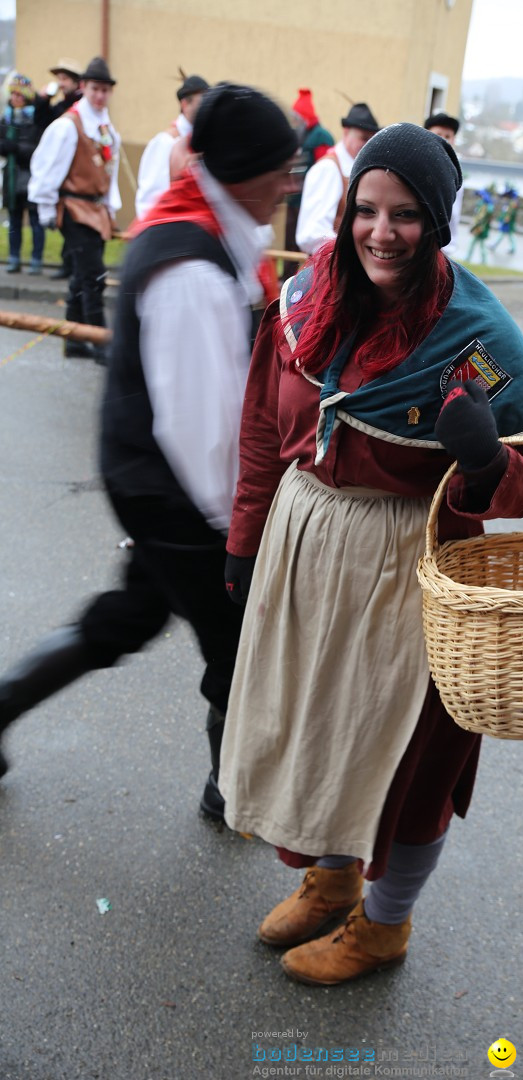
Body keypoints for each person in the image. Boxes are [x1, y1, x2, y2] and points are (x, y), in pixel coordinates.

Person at [219, 122, 523, 986]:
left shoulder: (478, 345)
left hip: (413, 565)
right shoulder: (304, 302)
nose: (381, 232)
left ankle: (383, 928)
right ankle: (330, 881)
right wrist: (245, 539)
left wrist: (487, 461)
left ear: (437, 223)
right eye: (366, 210)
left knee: (409, 761)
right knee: (315, 726)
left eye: (405, 215)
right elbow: (266, 428)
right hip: (306, 549)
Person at [0, 84, 299, 824]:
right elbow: (204, 434)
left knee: (132, 614)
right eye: (281, 171)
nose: (288, 186)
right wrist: (243, 531)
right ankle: (229, 792)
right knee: (239, 643)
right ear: (245, 172)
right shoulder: (193, 267)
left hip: (152, 477)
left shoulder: (208, 227)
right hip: (172, 487)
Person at [28, 56, 121, 364]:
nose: (100, 96)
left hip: (95, 210)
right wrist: (44, 209)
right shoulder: (68, 126)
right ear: (84, 88)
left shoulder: (106, 128)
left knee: (82, 276)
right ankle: (98, 341)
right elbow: (45, 168)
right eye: (95, 89)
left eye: (105, 90)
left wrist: (111, 208)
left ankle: (74, 340)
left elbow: (111, 172)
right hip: (73, 208)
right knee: (94, 276)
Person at [295, 101, 379, 254]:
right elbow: (311, 233)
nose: (367, 144)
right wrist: (353, 250)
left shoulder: (356, 169)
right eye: (363, 138)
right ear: (346, 132)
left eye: (371, 139)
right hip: (328, 268)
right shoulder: (328, 168)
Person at [33, 59, 83, 279]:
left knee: (74, 220)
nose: (61, 83)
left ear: (76, 83)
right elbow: (41, 123)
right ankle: (68, 265)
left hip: (76, 172)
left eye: (65, 79)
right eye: (59, 79)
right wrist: (42, 101)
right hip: (60, 173)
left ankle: (73, 265)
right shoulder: (61, 107)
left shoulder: (80, 107)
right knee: (65, 219)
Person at [135, 73, 209, 220]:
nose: (207, 109)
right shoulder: (165, 142)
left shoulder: (203, 141)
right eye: (202, 103)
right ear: (184, 104)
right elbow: (150, 199)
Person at [0, 74, 45, 274]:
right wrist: (6, 146)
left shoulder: (36, 118)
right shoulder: (6, 118)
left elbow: (38, 147)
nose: (16, 98)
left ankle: (36, 261)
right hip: (12, 178)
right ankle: (14, 258)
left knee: (35, 221)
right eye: (13, 94)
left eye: (20, 94)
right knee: (15, 221)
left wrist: (16, 148)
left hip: (31, 177)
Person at [284, 88, 335, 252]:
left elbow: (324, 169)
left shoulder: (321, 136)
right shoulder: (299, 134)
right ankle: (287, 274)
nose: (294, 121)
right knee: (290, 240)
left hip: (310, 199)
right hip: (294, 197)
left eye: (296, 117)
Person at [423, 112, 463, 256]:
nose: (443, 140)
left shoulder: (455, 172)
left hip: (442, 248)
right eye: (438, 134)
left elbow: (454, 213)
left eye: (448, 136)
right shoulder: (417, 165)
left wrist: (448, 248)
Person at [465, 184, 494, 264]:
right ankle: (482, 260)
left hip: (480, 228)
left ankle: (481, 260)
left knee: (479, 244)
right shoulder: (484, 204)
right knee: (478, 244)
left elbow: (481, 218)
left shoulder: (486, 206)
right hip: (480, 227)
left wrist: (475, 226)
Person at [489, 183, 519, 253]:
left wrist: (506, 218)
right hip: (506, 221)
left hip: (508, 222)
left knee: (504, 234)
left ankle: (494, 245)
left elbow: (510, 212)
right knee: (509, 235)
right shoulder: (509, 202)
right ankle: (512, 248)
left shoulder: (513, 202)